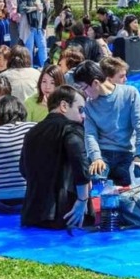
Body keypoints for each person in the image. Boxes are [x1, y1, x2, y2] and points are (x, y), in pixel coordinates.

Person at [20, 85, 93, 229]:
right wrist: (82, 199)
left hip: (32, 214)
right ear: (64, 106)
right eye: (80, 109)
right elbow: (81, 163)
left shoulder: (32, 132)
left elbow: (23, 169)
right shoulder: (71, 128)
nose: (83, 116)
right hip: (67, 215)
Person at [73, 60, 140, 186]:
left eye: (84, 88)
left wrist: (139, 154)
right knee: (96, 179)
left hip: (127, 153)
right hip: (103, 154)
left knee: (132, 180)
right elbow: (90, 134)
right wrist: (96, 157)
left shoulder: (129, 93)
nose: (84, 93)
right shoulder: (88, 105)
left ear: (95, 83)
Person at [18, 0, 50, 67]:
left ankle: (45, 67)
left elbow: (44, 11)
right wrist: (34, 8)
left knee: (43, 47)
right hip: (29, 26)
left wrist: (47, 3)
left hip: (39, 27)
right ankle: (29, 68)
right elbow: (21, 9)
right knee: (29, 48)